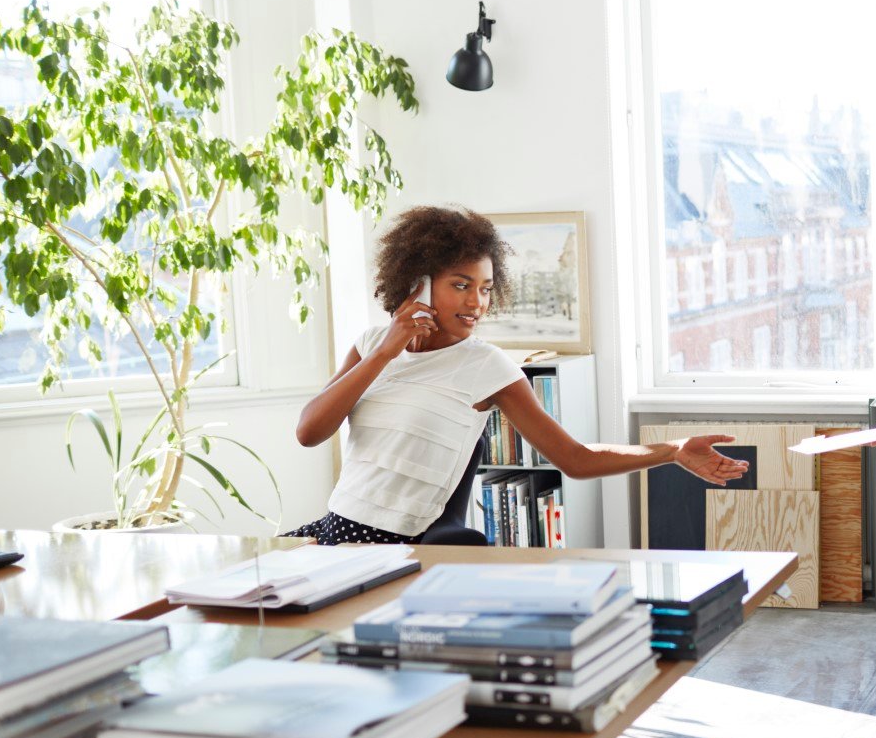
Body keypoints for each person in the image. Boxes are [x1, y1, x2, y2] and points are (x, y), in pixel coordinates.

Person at [288, 205, 747, 545]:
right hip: (334, 529)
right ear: (418, 282)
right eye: (461, 285)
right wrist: (384, 353)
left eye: (485, 289)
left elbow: (574, 458)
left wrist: (672, 451)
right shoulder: (371, 344)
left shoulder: (488, 366)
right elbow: (310, 432)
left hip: (397, 549)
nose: (475, 304)